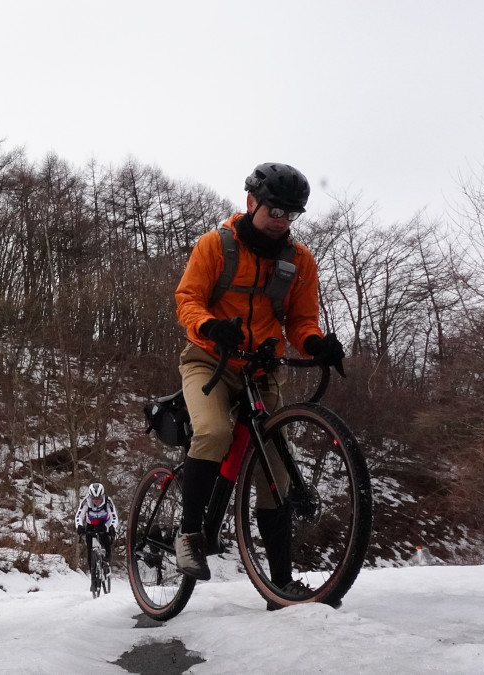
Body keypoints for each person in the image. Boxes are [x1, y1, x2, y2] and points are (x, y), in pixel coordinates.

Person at [172, 163, 345, 600]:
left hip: (261, 370)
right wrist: (210, 326)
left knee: (278, 475)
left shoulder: (300, 261)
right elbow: (188, 299)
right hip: (208, 361)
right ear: (251, 203)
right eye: (275, 211)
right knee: (213, 432)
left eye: (290, 214)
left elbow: (301, 321)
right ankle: (189, 534)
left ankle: (281, 585)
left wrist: (316, 344)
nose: (282, 221)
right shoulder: (215, 246)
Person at [75, 482, 118, 566]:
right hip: (91, 523)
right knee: (89, 547)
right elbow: (79, 516)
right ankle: (92, 570)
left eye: (99, 498)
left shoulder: (108, 501)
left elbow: (114, 516)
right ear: (90, 496)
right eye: (93, 498)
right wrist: (79, 526)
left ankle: (108, 553)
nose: (96, 500)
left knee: (104, 534)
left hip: (104, 522)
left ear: (102, 495)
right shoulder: (85, 501)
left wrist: (113, 527)